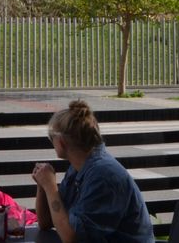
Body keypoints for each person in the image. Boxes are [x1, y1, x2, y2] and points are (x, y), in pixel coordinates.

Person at [31, 100, 155, 243]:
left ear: (61, 142)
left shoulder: (103, 175)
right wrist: (42, 186)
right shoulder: (79, 168)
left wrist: (50, 187)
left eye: (51, 138)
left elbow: (72, 238)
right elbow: (46, 222)